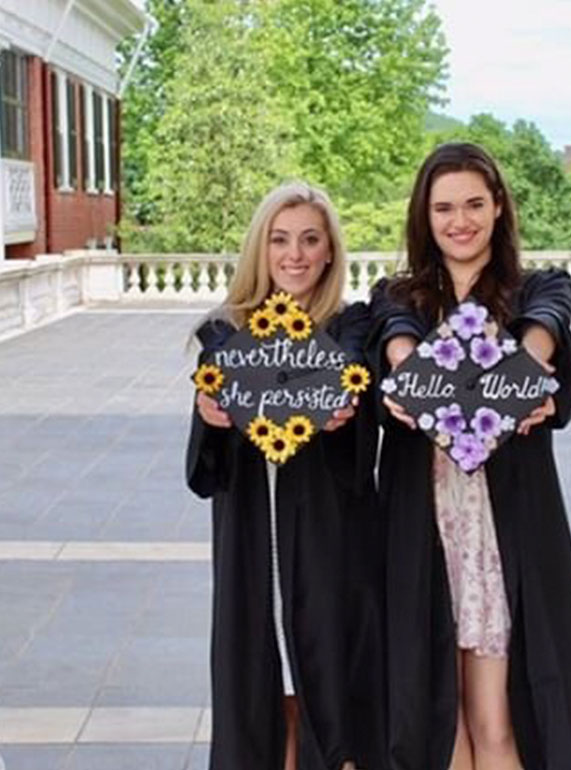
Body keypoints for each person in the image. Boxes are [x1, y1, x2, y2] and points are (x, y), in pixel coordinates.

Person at [369, 142, 571, 770]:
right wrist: (406, 372)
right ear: (424, 215)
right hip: (423, 529)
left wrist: (532, 361)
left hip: (503, 535)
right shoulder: (398, 294)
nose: (458, 221)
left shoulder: (535, 289)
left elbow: (548, 320)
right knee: (442, 728)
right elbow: (395, 336)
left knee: (495, 720)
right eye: (443, 208)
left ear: (497, 207)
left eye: (472, 203)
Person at [187, 182, 380, 770]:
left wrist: (341, 415)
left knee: (328, 678)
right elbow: (205, 470)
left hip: (330, 545)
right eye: (279, 240)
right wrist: (210, 416)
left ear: (329, 252)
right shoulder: (225, 335)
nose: (294, 255)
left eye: (309, 240)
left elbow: (357, 432)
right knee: (259, 685)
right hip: (251, 542)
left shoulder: (352, 328)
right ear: (260, 248)